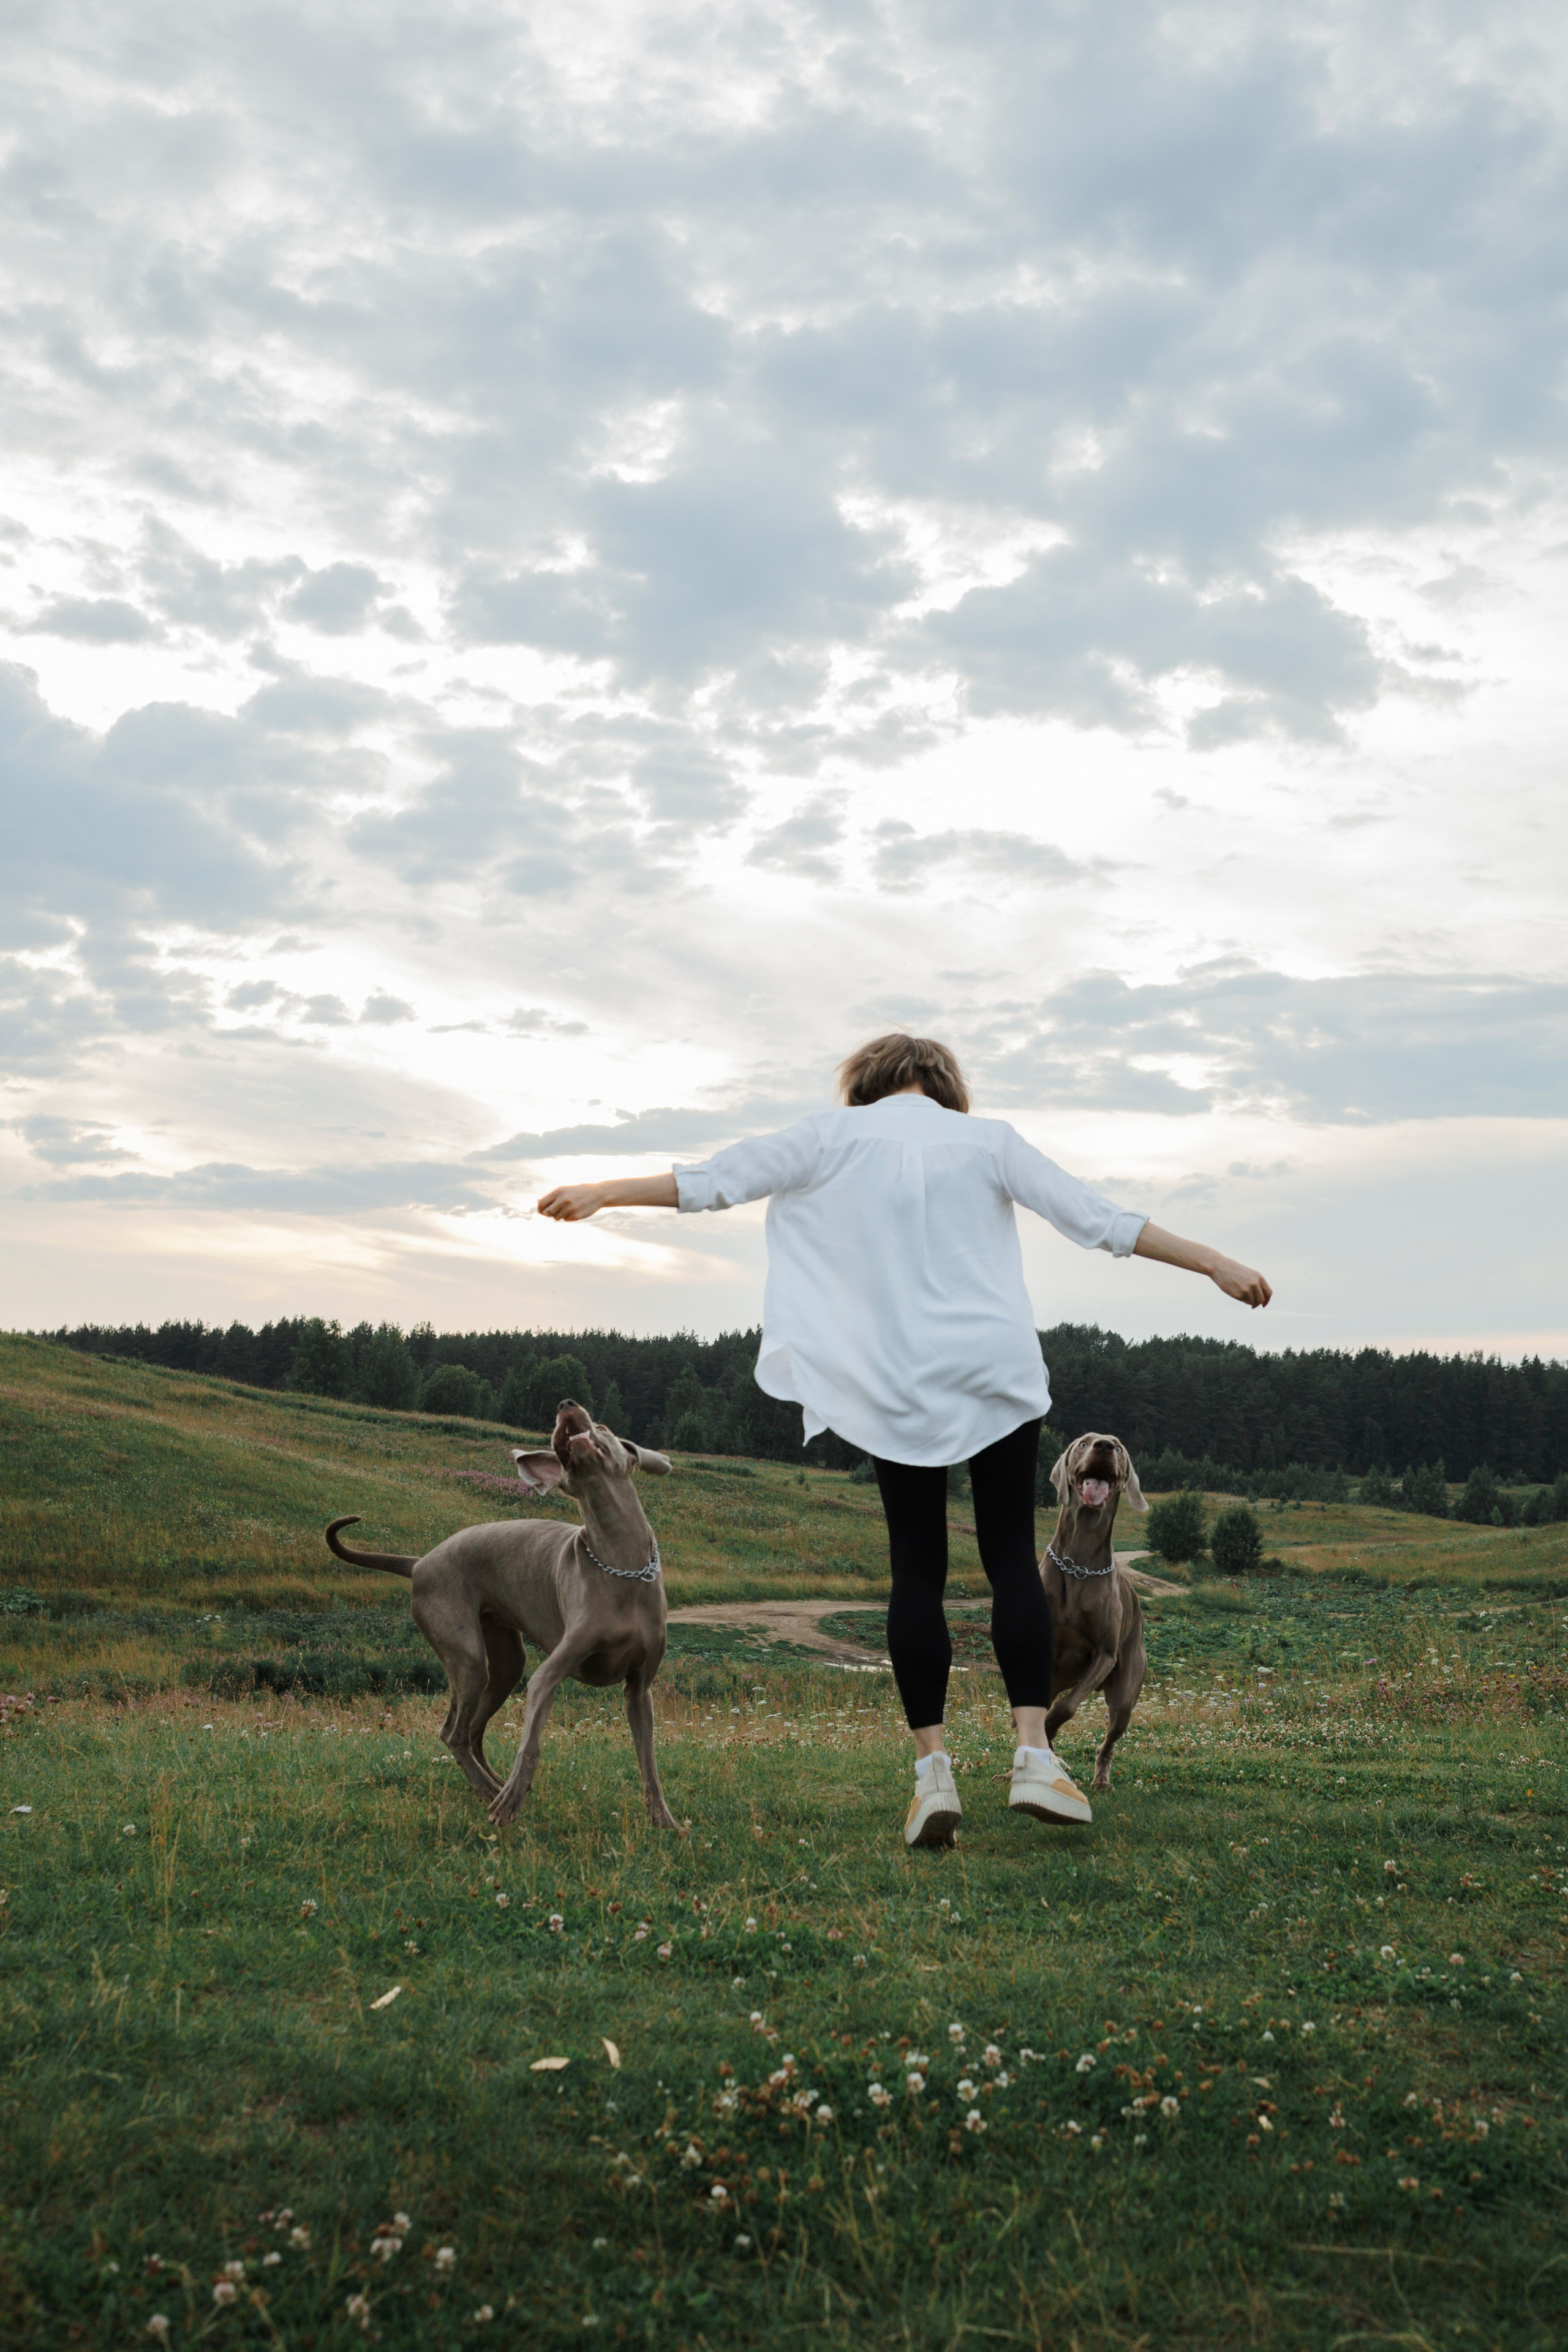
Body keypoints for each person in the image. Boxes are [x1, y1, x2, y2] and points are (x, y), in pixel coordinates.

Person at [536, 1031, 1271, 1848]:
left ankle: (933, 1776)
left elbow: (716, 1180)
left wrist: (604, 1190)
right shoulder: (988, 1141)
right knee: (1007, 1559)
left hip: (896, 1377)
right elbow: (1098, 1219)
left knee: (916, 1569)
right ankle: (1033, 1753)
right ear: (943, 1085)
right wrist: (1212, 1262)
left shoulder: (831, 1135)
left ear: (871, 1083)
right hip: (992, 1363)